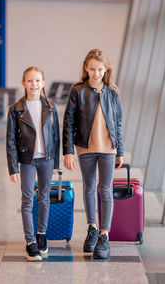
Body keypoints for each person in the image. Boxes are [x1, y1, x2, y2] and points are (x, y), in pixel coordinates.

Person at [63, 49, 124, 259]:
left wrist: (120, 152)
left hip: (108, 148)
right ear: (86, 69)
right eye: (92, 69)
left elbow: (117, 123)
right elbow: (68, 122)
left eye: (100, 69)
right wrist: (68, 151)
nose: (96, 73)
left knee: (105, 189)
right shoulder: (77, 90)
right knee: (89, 187)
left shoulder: (113, 92)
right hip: (85, 147)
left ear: (106, 69)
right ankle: (92, 228)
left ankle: (104, 236)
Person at [6, 66, 60, 261]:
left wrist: (56, 164)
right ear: (23, 84)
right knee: (28, 200)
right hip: (26, 160)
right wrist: (13, 167)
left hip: (47, 159)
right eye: (30, 80)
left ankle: (41, 235)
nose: (34, 84)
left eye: (37, 80)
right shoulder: (16, 110)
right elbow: (10, 140)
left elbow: (55, 138)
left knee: (44, 198)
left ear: (43, 83)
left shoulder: (51, 108)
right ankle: (30, 242)